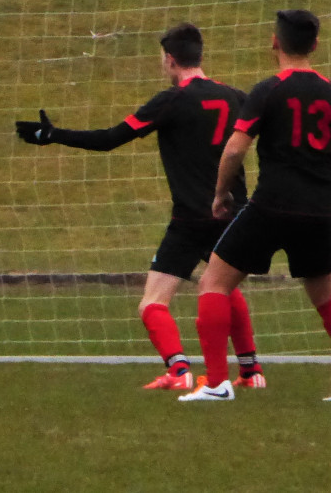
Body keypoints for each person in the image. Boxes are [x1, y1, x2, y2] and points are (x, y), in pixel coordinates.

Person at [16, 23, 264, 391]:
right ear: (200, 55)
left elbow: (109, 140)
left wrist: (53, 135)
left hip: (190, 220)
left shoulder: (171, 101)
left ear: (169, 60)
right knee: (224, 290)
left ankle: (179, 371)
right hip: (233, 215)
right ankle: (250, 372)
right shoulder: (237, 98)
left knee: (153, 302)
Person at [181, 9, 331, 401]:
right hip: (321, 210)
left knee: (213, 283)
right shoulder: (330, 90)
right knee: (326, 297)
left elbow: (235, 149)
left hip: (272, 206)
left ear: (275, 42)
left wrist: (220, 193)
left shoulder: (269, 89)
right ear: (315, 44)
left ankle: (216, 384)